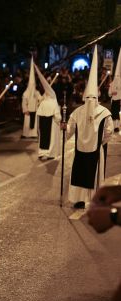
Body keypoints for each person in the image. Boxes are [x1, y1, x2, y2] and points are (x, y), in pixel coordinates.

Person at [62, 46, 113, 209]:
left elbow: (69, 130)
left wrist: (65, 131)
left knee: (80, 174)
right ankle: (90, 199)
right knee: (91, 174)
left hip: (83, 150)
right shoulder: (104, 113)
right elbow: (108, 133)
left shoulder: (78, 112)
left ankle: (81, 199)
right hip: (94, 150)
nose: (90, 100)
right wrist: (100, 143)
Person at [34, 64, 62, 160]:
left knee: (43, 138)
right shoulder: (53, 101)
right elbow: (58, 117)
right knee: (51, 138)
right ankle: (49, 153)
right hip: (52, 124)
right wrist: (60, 120)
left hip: (43, 124)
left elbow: (38, 114)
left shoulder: (43, 102)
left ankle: (42, 152)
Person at [21, 58, 41, 138]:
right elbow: (23, 102)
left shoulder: (36, 92)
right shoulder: (26, 93)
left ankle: (33, 134)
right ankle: (26, 134)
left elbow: (41, 99)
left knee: (34, 123)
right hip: (28, 110)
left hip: (35, 110)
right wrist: (25, 109)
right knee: (27, 123)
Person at [108, 47, 120, 133]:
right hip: (113, 100)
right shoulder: (111, 84)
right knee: (113, 113)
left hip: (118, 99)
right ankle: (113, 126)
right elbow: (109, 93)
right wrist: (111, 93)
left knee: (116, 114)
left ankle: (116, 126)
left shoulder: (119, 82)